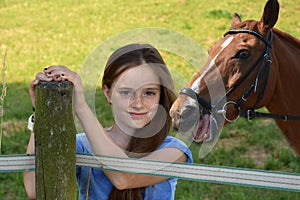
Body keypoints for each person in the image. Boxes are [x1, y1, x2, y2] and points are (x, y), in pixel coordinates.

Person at [24, 43, 193, 200]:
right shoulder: (83, 145)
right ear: (108, 93)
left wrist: (81, 107)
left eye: (149, 93)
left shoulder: (174, 150)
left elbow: (124, 178)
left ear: (160, 96)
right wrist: (40, 112)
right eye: (126, 92)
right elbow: (34, 188)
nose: (138, 103)